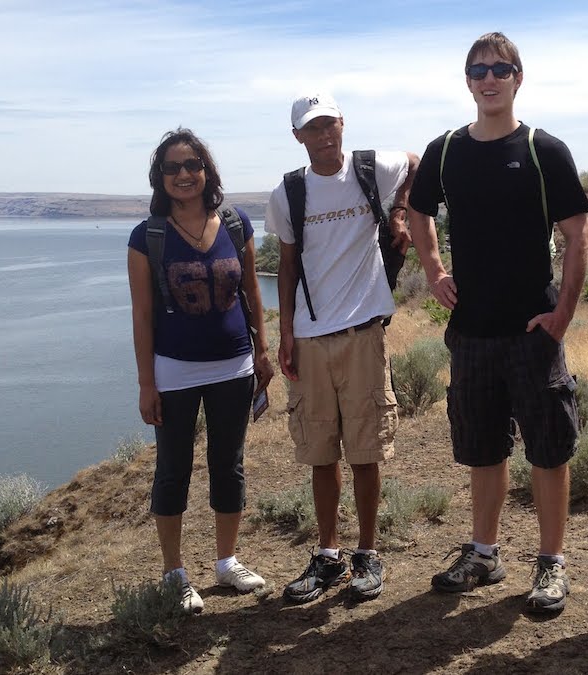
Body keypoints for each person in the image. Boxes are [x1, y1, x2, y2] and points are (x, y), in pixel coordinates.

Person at [407, 32, 588, 613]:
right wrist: (434, 270)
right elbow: (418, 212)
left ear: (518, 78)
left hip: (532, 330)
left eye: (501, 69)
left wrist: (563, 312)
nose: (489, 79)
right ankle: (483, 553)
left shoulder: (545, 150)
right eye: (478, 69)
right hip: (471, 331)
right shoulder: (445, 150)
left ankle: (551, 563)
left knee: (547, 448)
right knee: (484, 449)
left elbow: (578, 236)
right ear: (468, 81)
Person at [264, 92, 418, 603]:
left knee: (366, 450)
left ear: (343, 124)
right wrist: (285, 333)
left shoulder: (373, 167)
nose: (325, 134)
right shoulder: (288, 195)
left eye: (330, 123)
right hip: (309, 338)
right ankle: (328, 555)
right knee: (320, 453)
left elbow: (418, 162)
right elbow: (286, 266)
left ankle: (367, 554)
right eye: (313, 127)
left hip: (363, 333)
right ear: (298, 137)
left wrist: (399, 213)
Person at [127, 128, 274, 613]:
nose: (184, 175)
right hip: (174, 372)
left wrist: (264, 352)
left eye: (192, 165)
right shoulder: (146, 236)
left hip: (235, 365)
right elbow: (143, 315)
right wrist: (147, 383)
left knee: (227, 466)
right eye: (172, 168)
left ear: (206, 170)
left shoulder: (234, 223)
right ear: (160, 177)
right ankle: (174, 573)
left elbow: (253, 294)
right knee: (172, 472)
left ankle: (226, 561)